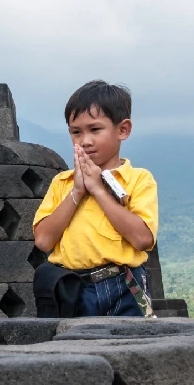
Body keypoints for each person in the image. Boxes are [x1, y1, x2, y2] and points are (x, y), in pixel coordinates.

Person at [32, 80, 158, 317]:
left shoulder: (138, 179)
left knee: (128, 350)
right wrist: (78, 191)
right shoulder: (63, 183)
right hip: (73, 287)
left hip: (124, 284)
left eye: (95, 129)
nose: (85, 141)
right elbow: (43, 241)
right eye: (76, 132)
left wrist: (98, 190)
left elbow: (142, 238)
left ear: (123, 130)